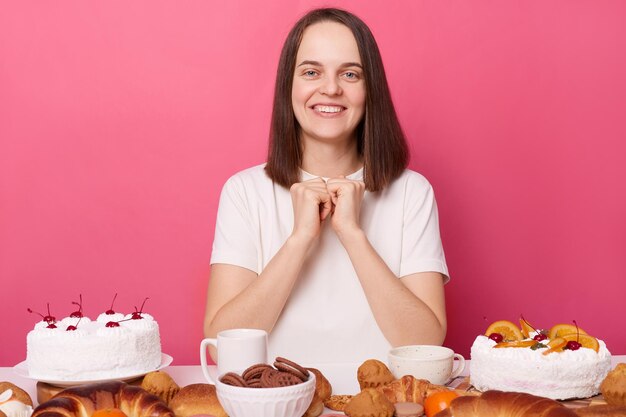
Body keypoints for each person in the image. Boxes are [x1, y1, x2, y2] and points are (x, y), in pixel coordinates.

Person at [204, 8, 449, 365]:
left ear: (371, 89)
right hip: (275, 401)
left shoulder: (412, 192)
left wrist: (352, 232)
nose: (331, 88)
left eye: (350, 74)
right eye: (311, 72)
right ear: (290, 84)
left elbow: (426, 342)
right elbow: (217, 346)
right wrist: (299, 239)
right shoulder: (243, 191)